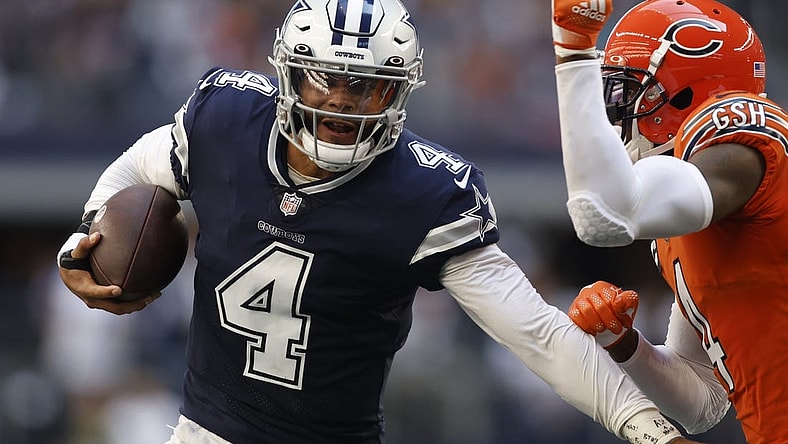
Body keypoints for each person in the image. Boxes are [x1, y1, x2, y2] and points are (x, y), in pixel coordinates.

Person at [56, 1, 702, 443]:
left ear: (398, 91)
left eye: (367, 84)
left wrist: (645, 426)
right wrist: (81, 243)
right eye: (327, 79)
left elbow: (535, 333)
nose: (343, 98)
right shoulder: (224, 119)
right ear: (290, 74)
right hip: (203, 430)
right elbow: (133, 175)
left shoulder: (424, 192)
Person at [551, 0, 788, 443]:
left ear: (683, 94)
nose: (614, 117)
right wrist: (625, 346)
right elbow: (703, 402)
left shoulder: (743, 143)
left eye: (626, 95)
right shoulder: (684, 218)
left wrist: (573, 50)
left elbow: (602, 217)